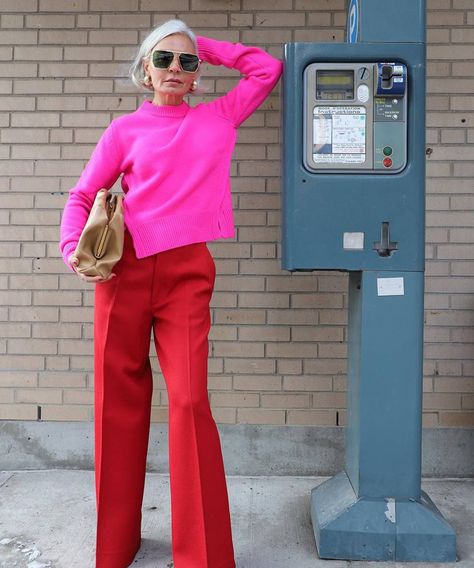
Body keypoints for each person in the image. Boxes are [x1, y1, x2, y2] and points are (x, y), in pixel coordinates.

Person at [58, 17, 283, 568]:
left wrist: (191, 39)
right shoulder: (123, 131)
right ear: (144, 72)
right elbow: (84, 193)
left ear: (199, 73)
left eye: (186, 63)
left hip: (186, 275)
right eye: (163, 60)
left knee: (188, 402)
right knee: (117, 405)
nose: (175, 69)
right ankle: (115, 547)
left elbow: (264, 68)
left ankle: (202, 556)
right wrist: (72, 249)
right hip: (124, 272)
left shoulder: (219, 118)